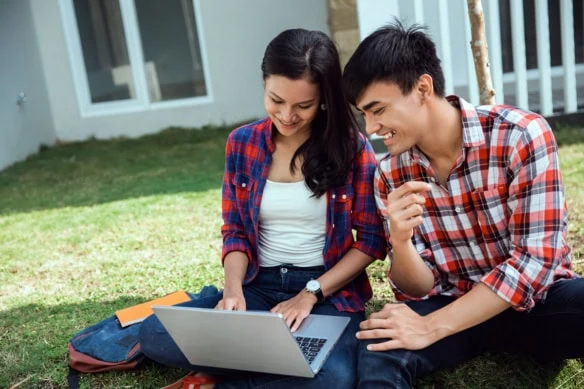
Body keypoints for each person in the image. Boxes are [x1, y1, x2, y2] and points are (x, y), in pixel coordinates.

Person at [341, 20, 584, 388]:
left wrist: (429, 326)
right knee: (379, 343)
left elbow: (536, 260)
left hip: (537, 305)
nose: (371, 127)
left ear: (423, 88)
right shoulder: (390, 174)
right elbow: (417, 290)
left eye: (378, 110)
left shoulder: (520, 134)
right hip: (452, 302)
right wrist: (402, 242)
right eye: (364, 114)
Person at [139, 28, 387, 389]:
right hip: (257, 286)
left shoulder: (353, 148)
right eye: (276, 100)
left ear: (324, 99)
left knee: (334, 380)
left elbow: (370, 240)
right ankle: (274, 365)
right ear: (264, 84)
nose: (286, 116)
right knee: (154, 334)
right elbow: (236, 231)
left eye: (303, 105)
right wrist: (233, 291)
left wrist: (309, 294)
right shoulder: (242, 143)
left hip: (325, 292)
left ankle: (221, 378)